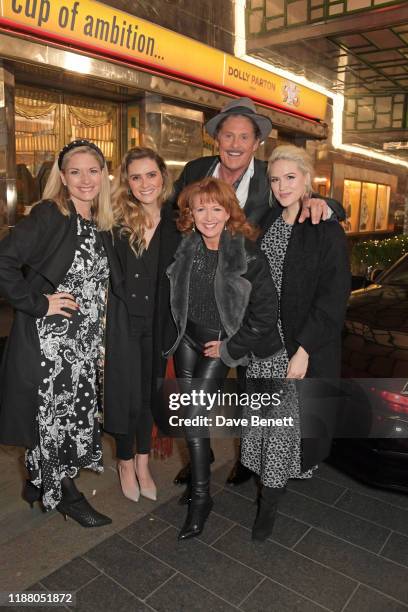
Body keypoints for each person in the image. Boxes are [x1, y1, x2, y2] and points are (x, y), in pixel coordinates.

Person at [170, 96, 345, 488]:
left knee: (252, 389)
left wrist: (326, 204)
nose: (234, 143)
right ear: (216, 139)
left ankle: (247, 461)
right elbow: (175, 217)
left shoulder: (271, 175)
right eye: (227, 134)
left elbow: (301, 194)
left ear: (255, 143)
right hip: (203, 312)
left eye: (244, 137)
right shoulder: (195, 170)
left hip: (251, 313)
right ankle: (204, 456)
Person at [0, 139, 122, 527]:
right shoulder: (51, 215)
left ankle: (37, 484)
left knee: (74, 419)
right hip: (50, 347)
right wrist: (39, 303)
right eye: (75, 172)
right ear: (63, 179)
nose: (85, 179)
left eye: (93, 170)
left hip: (83, 345)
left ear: (104, 175)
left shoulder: (98, 222)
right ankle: (67, 495)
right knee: (55, 421)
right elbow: (3, 261)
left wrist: (101, 337)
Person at [241, 145, 351, 541]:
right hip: (262, 345)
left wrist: (304, 351)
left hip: (295, 348)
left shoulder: (325, 228)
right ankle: (257, 481)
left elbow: (333, 297)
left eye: (291, 177)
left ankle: (267, 507)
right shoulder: (268, 220)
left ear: (307, 180)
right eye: (275, 178)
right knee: (263, 424)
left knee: (282, 432)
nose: (282, 185)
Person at [164, 177, 281, 540]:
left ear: (229, 211)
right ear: (190, 214)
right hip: (186, 337)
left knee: (194, 414)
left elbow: (265, 314)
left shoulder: (247, 254)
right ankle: (200, 477)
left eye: (217, 208)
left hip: (219, 343)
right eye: (201, 208)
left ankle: (202, 498)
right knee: (189, 415)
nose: (209, 216)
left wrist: (231, 347)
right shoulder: (187, 245)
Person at [109, 147, 179, 502]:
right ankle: (123, 461)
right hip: (122, 325)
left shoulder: (179, 221)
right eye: (135, 177)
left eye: (150, 174)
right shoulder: (116, 221)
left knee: (150, 397)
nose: (144, 183)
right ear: (127, 182)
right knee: (126, 398)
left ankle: (142, 463)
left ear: (163, 177)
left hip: (159, 326)